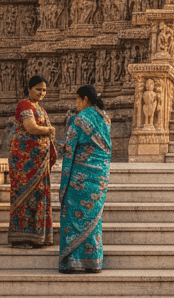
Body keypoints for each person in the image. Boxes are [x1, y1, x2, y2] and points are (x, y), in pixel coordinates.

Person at [58, 84, 111, 274]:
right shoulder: (105, 118)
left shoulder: (79, 120)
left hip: (80, 179)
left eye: (77, 100)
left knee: (72, 216)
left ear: (85, 99)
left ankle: (73, 262)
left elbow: (70, 149)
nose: (76, 104)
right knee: (93, 220)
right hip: (99, 177)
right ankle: (93, 261)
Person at [8, 74, 55, 247]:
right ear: (29, 89)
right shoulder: (24, 104)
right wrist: (49, 129)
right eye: (38, 89)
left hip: (39, 161)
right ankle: (21, 238)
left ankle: (38, 237)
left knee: (39, 195)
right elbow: (30, 127)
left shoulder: (40, 108)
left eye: (44, 90)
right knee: (24, 195)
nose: (41, 93)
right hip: (24, 160)